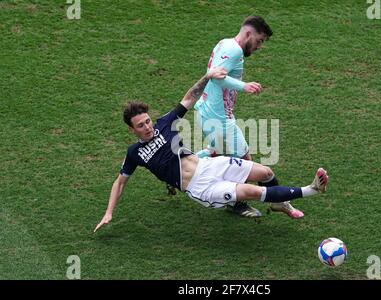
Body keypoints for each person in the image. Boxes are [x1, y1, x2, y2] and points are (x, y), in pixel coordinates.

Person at [94, 67, 329, 233]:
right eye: (140, 125)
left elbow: (189, 98)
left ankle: (280, 203)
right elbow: (120, 182)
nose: (147, 127)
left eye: (147, 121)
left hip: (209, 165)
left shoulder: (164, 123)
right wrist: (109, 212)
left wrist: (207, 76)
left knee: (265, 173)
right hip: (201, 186)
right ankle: (311, 190)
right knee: (251, 191)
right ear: (131, 129)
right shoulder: (134, 153)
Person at [194, 16, 303, 218]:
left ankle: (178, 164)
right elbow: (216, 77)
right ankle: (268, 202)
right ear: (248, 34)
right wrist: (244, 86)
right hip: (219, 119)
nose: (259, 46)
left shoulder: (224, 43)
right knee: (246, 162)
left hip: (210, 111)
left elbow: (213, 73)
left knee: (219, 155)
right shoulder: (234, 49)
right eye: (259, 40)